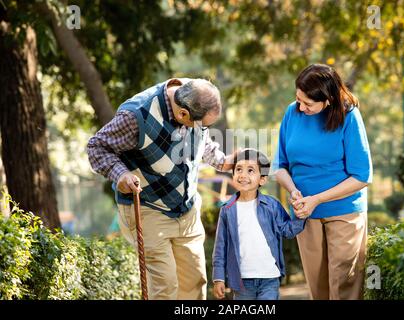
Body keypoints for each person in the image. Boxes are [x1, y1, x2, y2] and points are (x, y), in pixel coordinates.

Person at [87, 78, 235, 300]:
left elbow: (202, 142)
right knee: (165, 287)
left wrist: (225, 162)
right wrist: (121, 174)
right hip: (148, 208)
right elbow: (96, 147)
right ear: (183, 114)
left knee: (194, 284)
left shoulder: (193, 93)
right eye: (202, 125)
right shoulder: (136, 116)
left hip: (187, 209)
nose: (204, 130)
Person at [273, 64, 373, 300]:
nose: (301, 107)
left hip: (344, 210)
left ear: (327, 100)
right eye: (298, 99)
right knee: (318, 288)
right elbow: (280, 166)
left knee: (344, 285)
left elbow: (362, 175)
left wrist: (317, 199)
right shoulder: (292, 113)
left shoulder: (349, 116)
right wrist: (294, 191)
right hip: (305, 213)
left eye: (308, 104)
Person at [212, 148, 306, 300]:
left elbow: (287, 231)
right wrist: (218, 278)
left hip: (269, 278)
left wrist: (300, 215)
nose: (243, 175)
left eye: (250, 170)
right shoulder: (227, 210)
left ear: (262, 179)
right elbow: (220, 247)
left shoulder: (272, 206)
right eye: (238, 169)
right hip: (241, 281)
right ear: (233, 174)